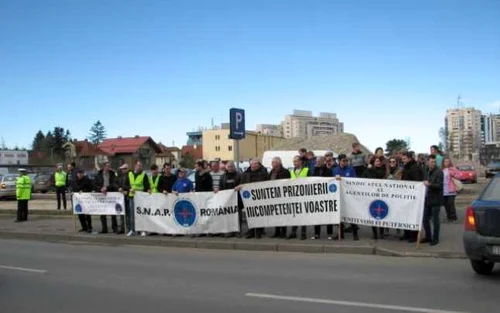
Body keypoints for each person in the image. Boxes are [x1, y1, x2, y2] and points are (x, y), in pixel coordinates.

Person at [236, 158, 269, 239]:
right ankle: (251, 231)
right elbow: (242, 183)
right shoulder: (245, 173)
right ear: (250, 164)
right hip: (248, 198)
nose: (255, 165)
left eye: (257, 164)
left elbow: (267, 184)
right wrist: (239, 186)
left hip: (259, 198)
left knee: (259, 214)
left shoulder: (264, 173)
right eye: (254, 164)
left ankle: (258, 231)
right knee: (249, 215)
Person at [400, 151, 424, 243]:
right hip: (405, 195)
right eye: (402, 159)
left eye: (404, 159)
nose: (403, 161)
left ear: (409, 158)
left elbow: (417, 182)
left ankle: (413, 235)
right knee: (405, 215)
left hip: (412, 196)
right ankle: (406, 233)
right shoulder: (406, 167)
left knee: (412, 216)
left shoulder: (415, 167)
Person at [333, 154, 359, 241]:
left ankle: (355, 234)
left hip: (349, 195)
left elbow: (355, 181)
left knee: (352, 214)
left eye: (346, 160)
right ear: (339, 161)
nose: (345, 162)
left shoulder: (351, 169)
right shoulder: (335, 170)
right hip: (339, 195)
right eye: (343, 160)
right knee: (339, 215)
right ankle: (341, 234)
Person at [363, 156, 388, 239]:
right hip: (372, 195)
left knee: (382, 213)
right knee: (373, 213)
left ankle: (381, 232)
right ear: (373, 162)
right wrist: (368, 169)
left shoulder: (382, 170)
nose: (378, 163)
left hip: (381, 194)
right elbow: (365, 178)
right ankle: (374, 233)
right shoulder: (369, 170)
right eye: (377, 161)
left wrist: (371, 169)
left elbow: (380, 175)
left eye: (379, 161)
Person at [421, 155, 444, 246]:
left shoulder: (439, 172)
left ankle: (435, 238)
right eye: (431, 162)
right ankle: (428, 236)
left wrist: (429, 184)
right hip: (427, 199)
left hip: (436, 199)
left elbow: (440, 186)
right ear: (427, 162)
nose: (433, 164)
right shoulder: (426, 171)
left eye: (434, 162)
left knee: (435, 220)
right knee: (425, 219)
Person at [287, 156, 310, 240]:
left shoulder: (307, 170)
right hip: (294, 196)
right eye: (293, 161)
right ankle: (293, 232)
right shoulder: (291, 171)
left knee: (303, 215)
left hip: (304, 195)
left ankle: (303, 233)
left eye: (296, 161)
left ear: (300, 162)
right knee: (295, 214)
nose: (294, 163)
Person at [125, 161, 150, 237]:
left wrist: (147, 190)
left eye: (141, 165)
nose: (139, 167)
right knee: (132, 215)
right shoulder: (130, 174)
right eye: (138, 165)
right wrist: (129, 189)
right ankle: (132, 230)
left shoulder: (143, 174)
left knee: (142, 214)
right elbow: (126, 184)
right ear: (135, 166)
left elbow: (147, 186)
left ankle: (143, 230)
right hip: (132, 196)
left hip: (141, 197)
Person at [268, 157, 291, 239]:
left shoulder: (285, 172)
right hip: (274, 197)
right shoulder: (272, 171)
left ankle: (283, 232)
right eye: (272, 162)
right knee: (276, 214)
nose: (272, 164)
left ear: (278, 163)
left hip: (282, 196)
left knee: (283, 215)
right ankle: (277, 231)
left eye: (273, 162)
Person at [312, 156, 334, 240]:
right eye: (317, 161)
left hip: (327, 196)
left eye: (320, 161)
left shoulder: (328, 170)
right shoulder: (315, 170)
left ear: (323, 161)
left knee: (328, 215)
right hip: (317, 196)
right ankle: (317, 233)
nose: (318, 163)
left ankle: (329, 233)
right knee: (317, 215)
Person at [94, 162, 120, 234]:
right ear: (104, 167)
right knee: (102, 212)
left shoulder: (112, 174)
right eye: (107, 166)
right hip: (102, 194)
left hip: (110, 194)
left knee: (113, 211)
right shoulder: (98, 174)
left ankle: (114, 228)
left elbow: (114, 183)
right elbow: (95, 185)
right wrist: (101, 189)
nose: (108, 168)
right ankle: (104, 228)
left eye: (109, 166)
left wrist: (107, 187)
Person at [219, 161, 242, 238]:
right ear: (226, 168)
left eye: (231, 166)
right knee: (228, 216)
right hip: (227, 200)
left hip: (237, 200)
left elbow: (242, 185)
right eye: (228, 167)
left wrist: (239, 187)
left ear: (234, 167)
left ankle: (237, 231)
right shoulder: (223, 177)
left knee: (237, 216)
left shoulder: (239, 175)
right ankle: (229, 231)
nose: (230, 168)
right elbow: (220, 188)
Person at [442, 158, 459, 223]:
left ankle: (453, 217)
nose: (447, 163)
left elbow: (458, 176)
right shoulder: (441, 170)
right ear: (443, 163)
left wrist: (453, 173)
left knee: (451, 204)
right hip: (444, 191)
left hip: (451, 190)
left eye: (448, 161)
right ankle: (449, 217)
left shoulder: (452, 169)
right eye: (445, 161)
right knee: (446, 205)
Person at [116, 164, 130, 234]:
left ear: (127, 169)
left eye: (124, 169)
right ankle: (122, 227)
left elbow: (131, 185)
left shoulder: (130, 175)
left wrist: (126, 190)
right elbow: (115, 183)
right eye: (122, 169)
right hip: (121, 196)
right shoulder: (120, 176)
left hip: (127, 196)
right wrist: (119, 188)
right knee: (121, 212)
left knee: (128, 213)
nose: (123, 170)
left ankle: (129, 228)